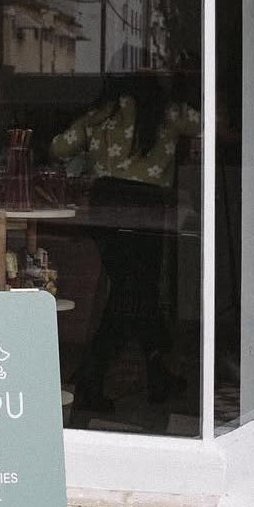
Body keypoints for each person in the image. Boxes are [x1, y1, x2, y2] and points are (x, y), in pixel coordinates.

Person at [50, 73, 200, 418]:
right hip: (149, 206)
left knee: (133, 290)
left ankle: (154, 373)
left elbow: (58, 148)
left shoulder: (102, 114)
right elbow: (210, 124)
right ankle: (92, 380)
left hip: (106, 204)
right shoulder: (168, 113)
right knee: (134, 293)